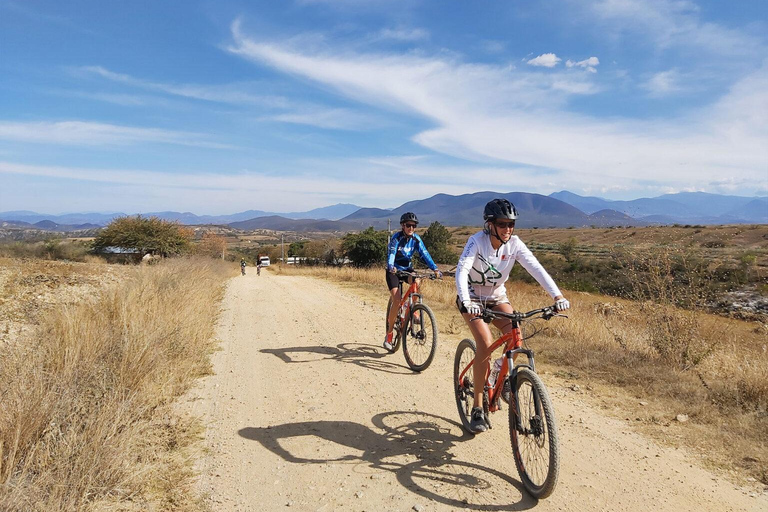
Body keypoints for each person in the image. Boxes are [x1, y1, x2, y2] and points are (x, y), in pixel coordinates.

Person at [455, 199, 570, 433]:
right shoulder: (476, 241)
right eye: (502, 224)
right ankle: (478, 407)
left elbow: (536, 268)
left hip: (497, 298)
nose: (508, 229)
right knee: (485, 344)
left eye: (511, 224)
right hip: (472, 299)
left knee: (515, 337)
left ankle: (499, 370)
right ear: (490, 224)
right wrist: (467, 301)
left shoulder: (514, 244)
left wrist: (557, 296)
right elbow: (462, 269)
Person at [384, 212, 442, 351]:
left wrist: (435, 269)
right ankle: (389, 334)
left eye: (414, 226)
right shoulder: (396, 238)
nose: (411, 228)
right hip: (394, 271)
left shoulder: (416, 239)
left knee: (417, 280)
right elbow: (391, 253)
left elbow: (425, 254)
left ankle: (414, 310)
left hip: (406, 269)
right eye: (408, 225)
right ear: (403, 226)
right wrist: (391, 265)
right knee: (397, 299)